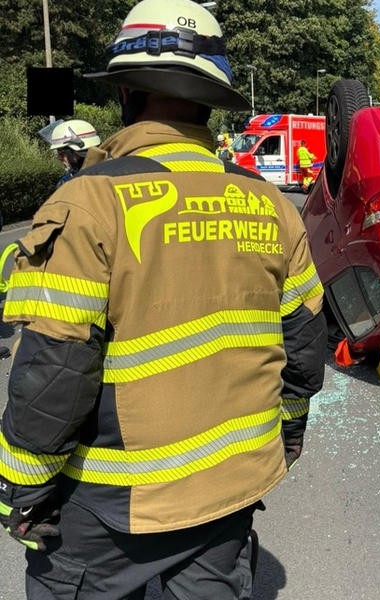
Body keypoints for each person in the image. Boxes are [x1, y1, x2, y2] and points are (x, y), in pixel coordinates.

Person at [0, 1, 326, 598]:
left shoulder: (87, 203)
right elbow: (304, 345)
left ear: (126, 92)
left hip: (108, 510)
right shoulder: (271, 203)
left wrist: (24, 489)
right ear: (209, 101)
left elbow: (56, 370)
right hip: (231, 488)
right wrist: (291, 432)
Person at [46, 119, 102, 187]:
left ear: (80, 151)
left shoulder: (100, 179)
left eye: (62, 152)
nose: (59, 157)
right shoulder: (69, 179)